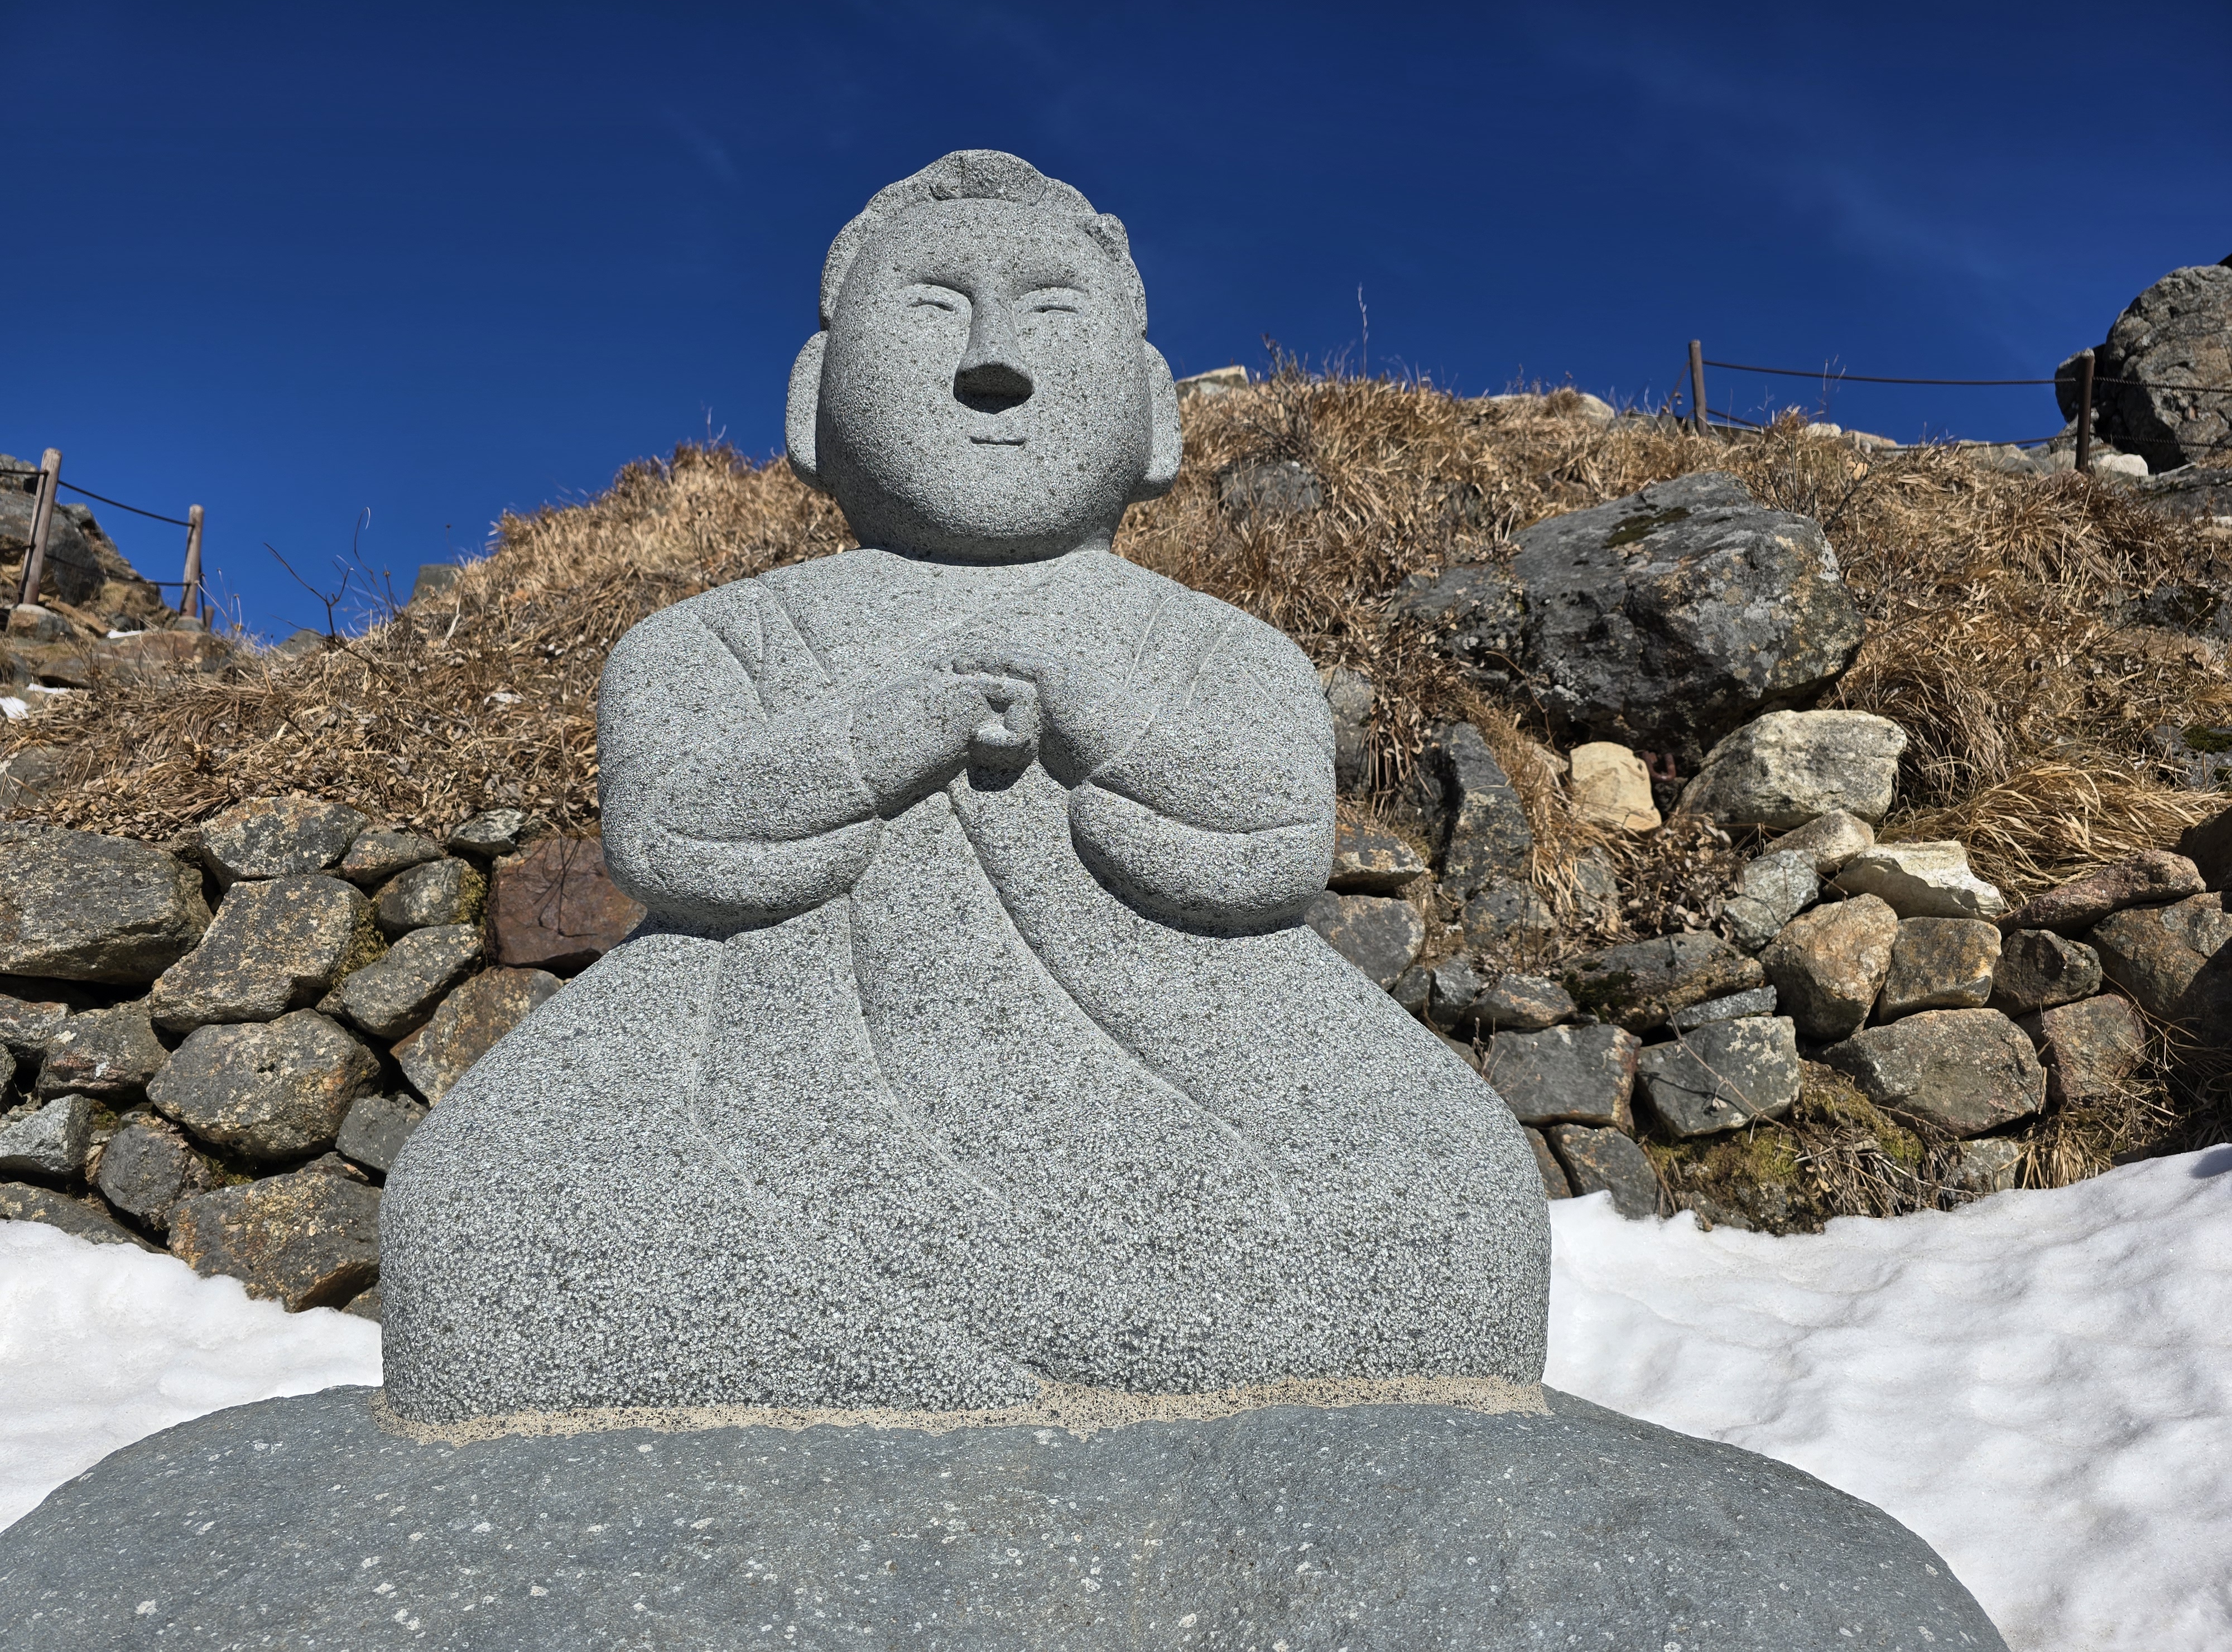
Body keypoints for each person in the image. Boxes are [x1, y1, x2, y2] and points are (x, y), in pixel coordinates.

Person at [382, 151, 1549, 1423]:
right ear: (812, 402)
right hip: (767, 1079)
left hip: (1188, 1075)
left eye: (1052, 316)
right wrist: (869, 744)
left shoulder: (1227, 652)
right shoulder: (709, 644)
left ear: (1157, 415)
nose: (993, 365)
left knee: (1453, 1203)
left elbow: (1267, 846)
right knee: (480, 1216)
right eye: (932, 311)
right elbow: (670, 838)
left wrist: (1108, 730)